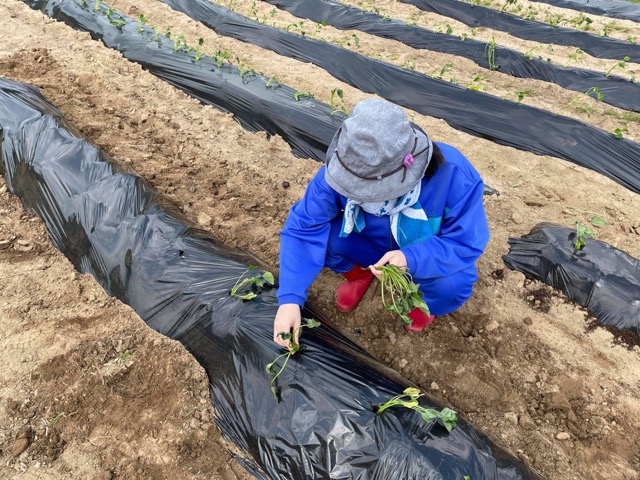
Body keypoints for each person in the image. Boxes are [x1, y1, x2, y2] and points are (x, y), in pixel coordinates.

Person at [273, 98, 489, 348]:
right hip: (368, 241)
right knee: (328, 238)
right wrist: (289, 298)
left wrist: (411, 259)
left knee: (453, 284)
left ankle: (425, 303)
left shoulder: (453, 175)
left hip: (424, 251)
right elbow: (304, 227)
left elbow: (465, 243)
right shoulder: (341, 171)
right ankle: (358, 275)